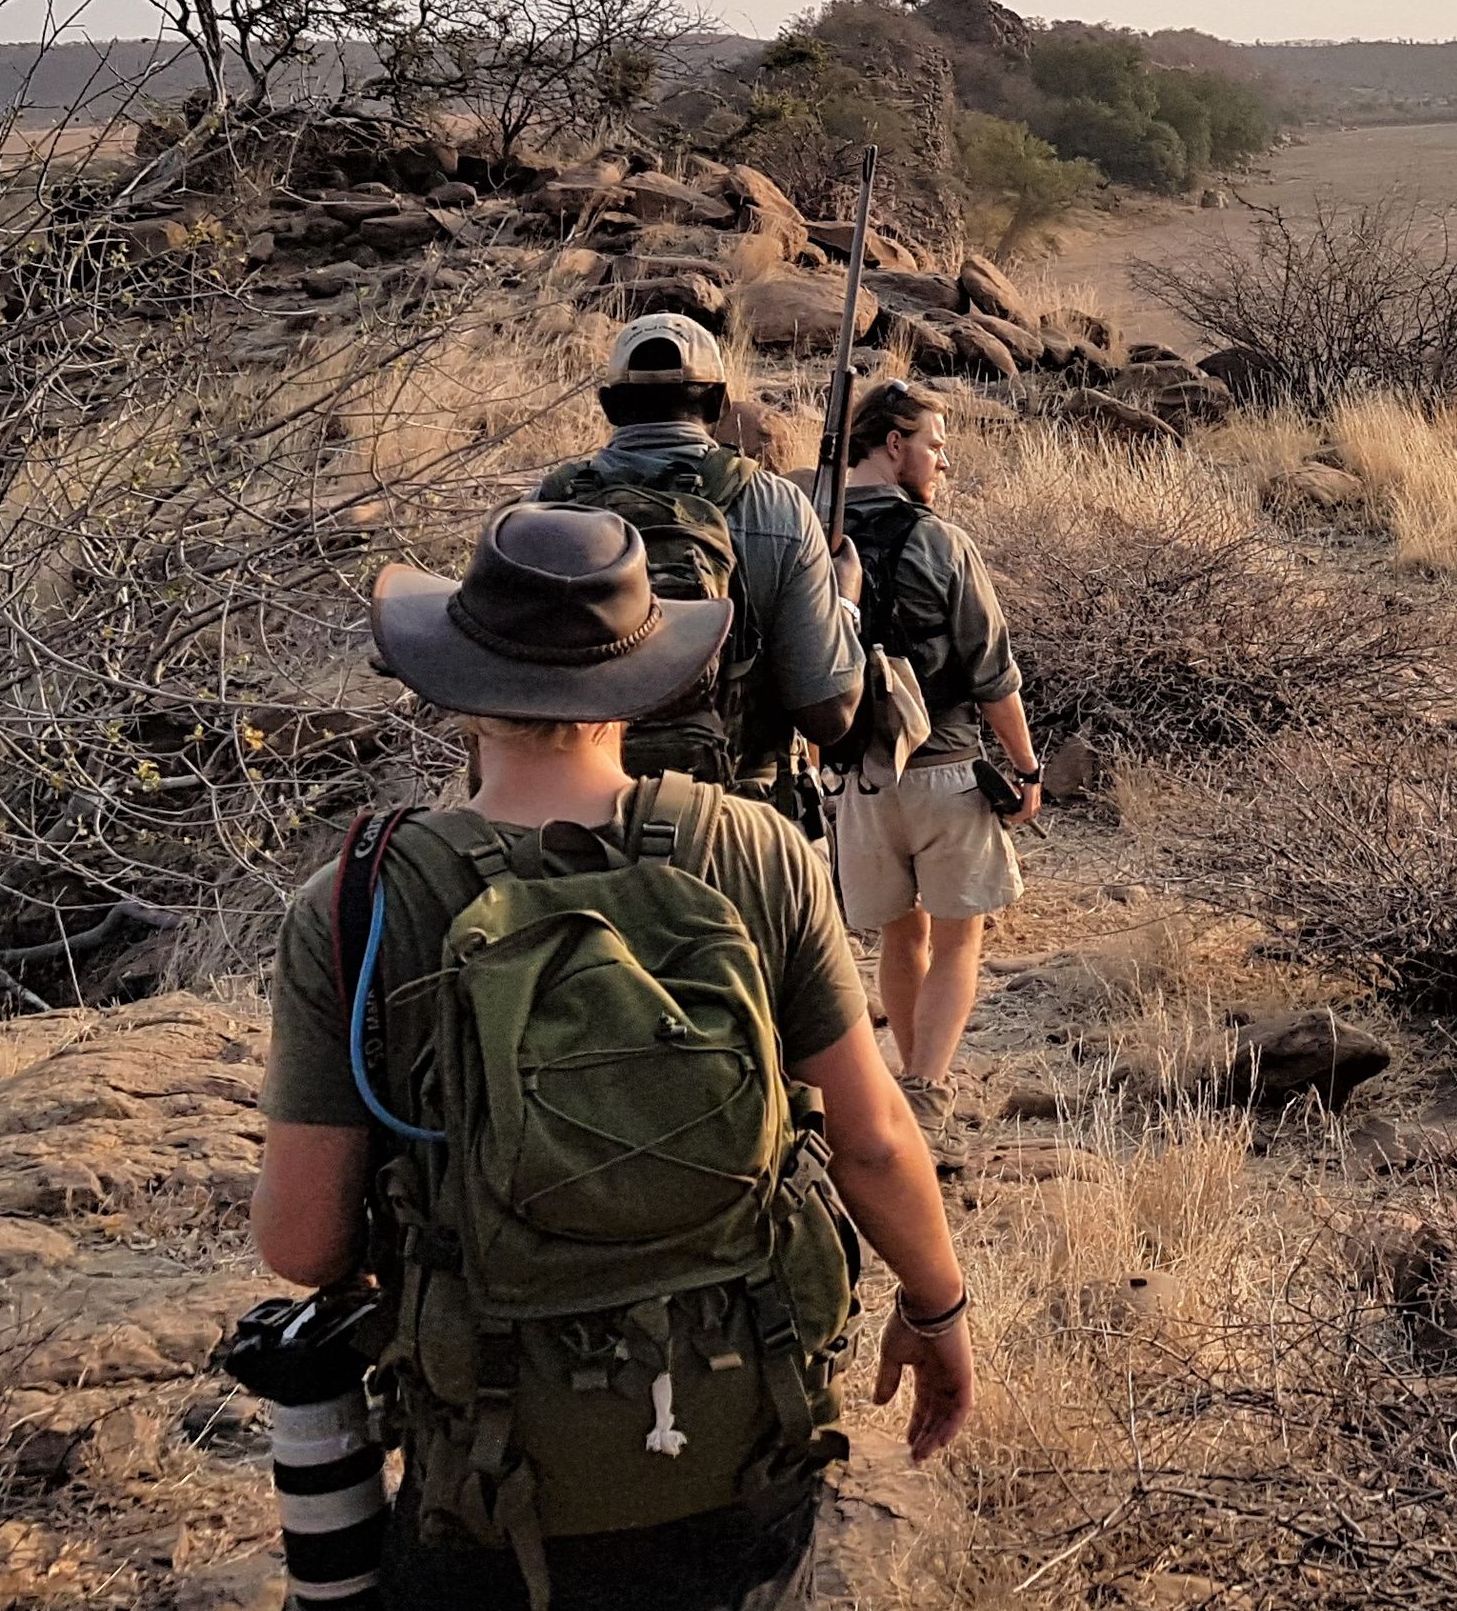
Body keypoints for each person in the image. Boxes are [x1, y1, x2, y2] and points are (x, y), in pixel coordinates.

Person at [253, 504, 972, 1611]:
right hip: (741, 1435)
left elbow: (303, 1243)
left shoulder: (360, 899)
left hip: (493, 1464)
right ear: (648, 681)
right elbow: (873, 1141)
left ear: (457, 681)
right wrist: (937, 1314)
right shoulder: (757, 852)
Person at [534, 315, 858, 829]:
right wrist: (844, 603)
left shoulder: (544, 511)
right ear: (718, 404)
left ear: (609, 406)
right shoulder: (778, 508)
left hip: (578, 826)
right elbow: (830, 715)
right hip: (738, 831)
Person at [827, 381, 1041, 1125]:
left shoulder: (812, 539)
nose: (942, 462)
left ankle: (912, 1086)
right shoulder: (942, 543)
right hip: (948, 771)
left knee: (899, 933)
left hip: (856, 780)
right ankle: (927, 1086)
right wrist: (1027, 766)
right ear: (895, 445)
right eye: (935, 445)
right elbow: (992, 673)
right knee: (958, 941)